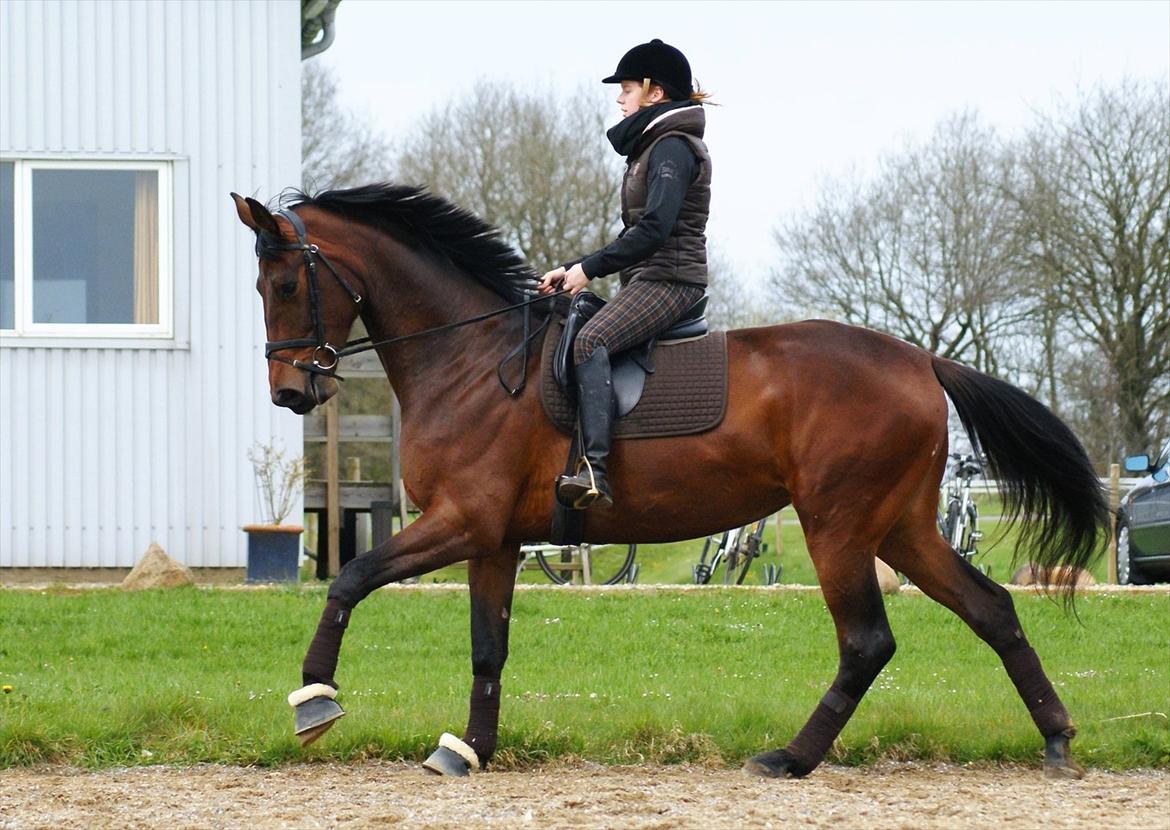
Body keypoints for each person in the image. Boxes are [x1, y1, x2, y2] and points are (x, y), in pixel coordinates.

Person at [539, 38, 713, 509]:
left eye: (627, 88)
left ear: (655, 93)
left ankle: (593, 470)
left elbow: (654, 229)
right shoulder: (651, 148)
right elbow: (632, 234)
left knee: (591, 341)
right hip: (649, 278)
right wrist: (571, 269)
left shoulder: (672, 148)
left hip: (671, 281)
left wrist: (588, 270)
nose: (619, 98)